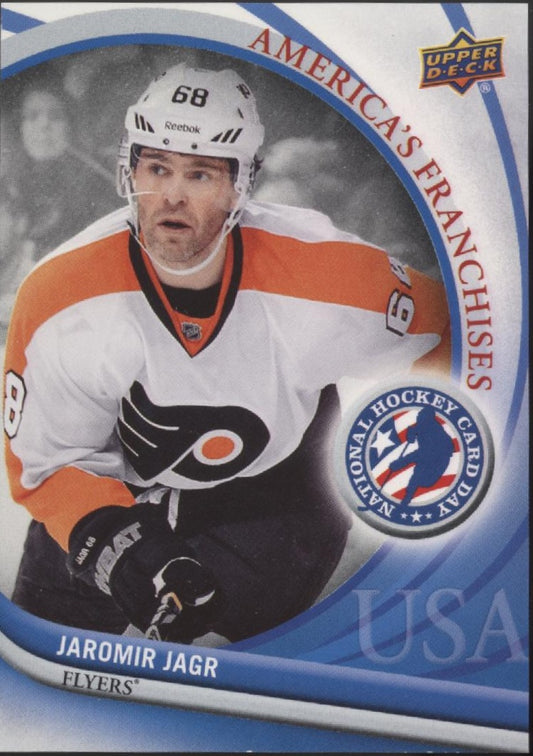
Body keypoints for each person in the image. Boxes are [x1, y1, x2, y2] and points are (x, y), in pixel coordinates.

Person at [3, 63, 450, 644]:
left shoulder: (329, 276)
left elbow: (455, 326)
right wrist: (114, 541)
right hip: (118, 488)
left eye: (201, 174)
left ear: (242, 185)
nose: (172, 196)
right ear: (127, 170)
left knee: (215, 675)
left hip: (271, 497)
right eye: (156, 168)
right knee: (44, 660)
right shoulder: (61, 295)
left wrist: (429, 449)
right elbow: (49, 462)